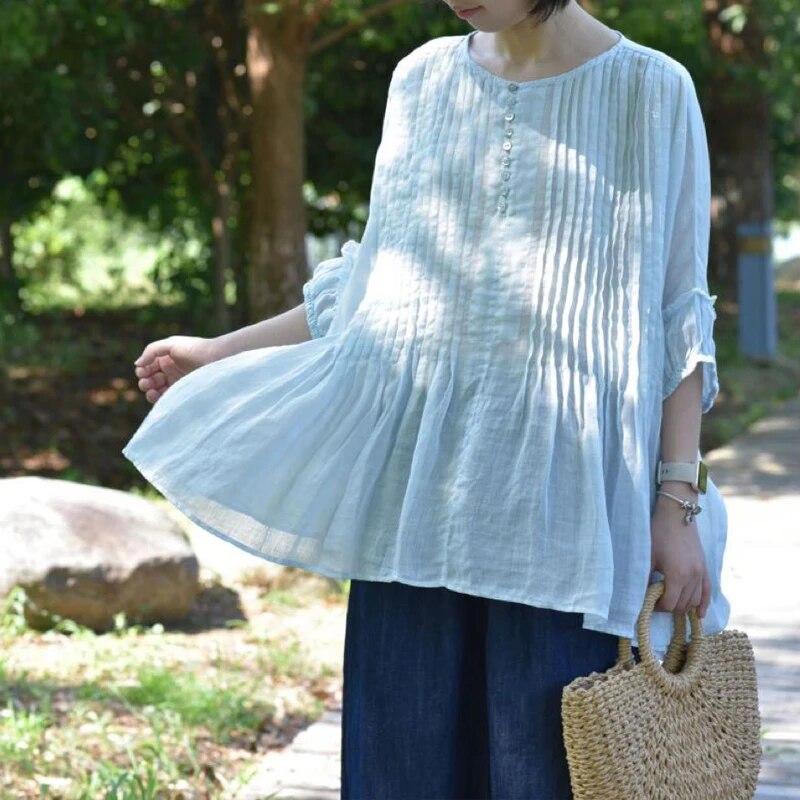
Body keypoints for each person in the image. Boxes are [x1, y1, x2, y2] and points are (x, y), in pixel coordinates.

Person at [123, 0, 732, 796]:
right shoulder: (422, 80)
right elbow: (374, 285)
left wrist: (675, 505)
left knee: (541, 776)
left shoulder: (651, 90)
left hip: (562, 519)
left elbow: (677, 313)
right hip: (413, 506)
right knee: (398, 776)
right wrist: (217, 352)